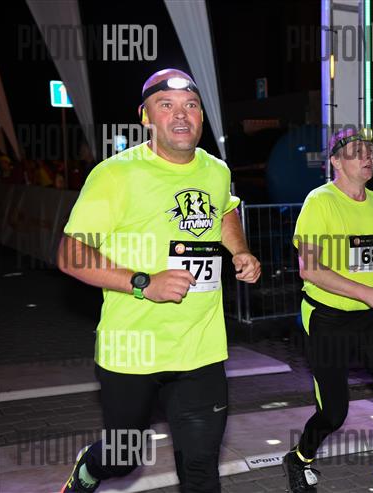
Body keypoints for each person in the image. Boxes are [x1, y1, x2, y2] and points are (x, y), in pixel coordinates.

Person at [57, 69, 261, 493]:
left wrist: (239, 250)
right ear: (146, 117)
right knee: (123, 458)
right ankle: (90, 468)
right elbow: (70, 255)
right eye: (166, 106)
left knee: (201, 468)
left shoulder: (216, 170)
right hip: (133, 349)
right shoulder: (115, 174)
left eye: (191, 106)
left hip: (200, 347)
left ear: (202, 115)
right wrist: (143, 282)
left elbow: (225, 210)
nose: (181, 115)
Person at [283, 127, 373, 493]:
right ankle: (299, 458)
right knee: (334, 412)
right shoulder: (319, 202)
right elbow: (309, 269)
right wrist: (368, 294)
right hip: (328, 317)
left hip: (370, 317)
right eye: (356, 152)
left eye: (369, 150)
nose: (367, 156)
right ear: (336, 162)